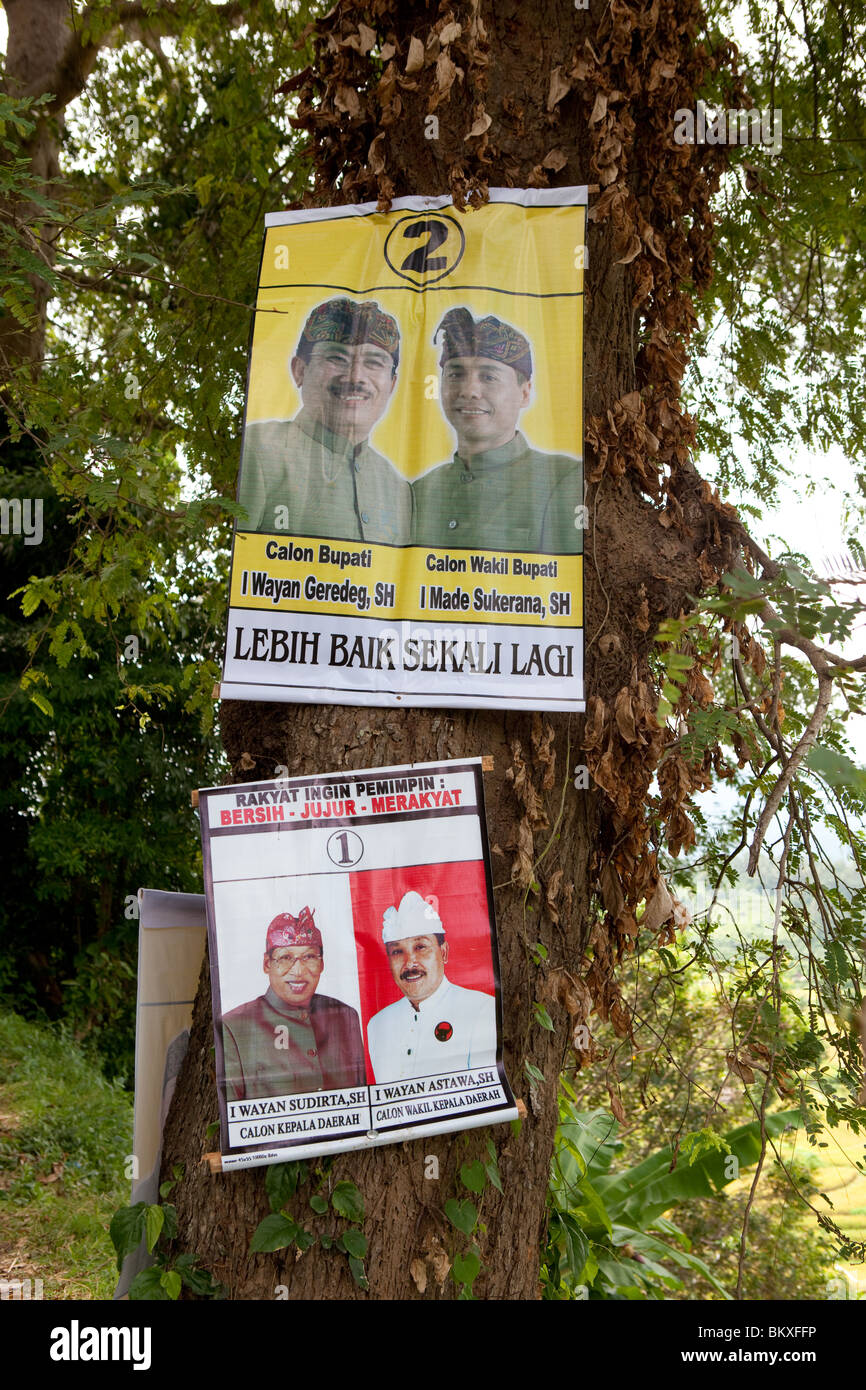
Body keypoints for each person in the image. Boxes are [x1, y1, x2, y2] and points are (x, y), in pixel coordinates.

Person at [237, 297, 410, 545]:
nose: (356, 377)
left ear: (391, 384)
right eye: (337, 359)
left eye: (373, 363)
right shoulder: (259, 449)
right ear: (300, 370)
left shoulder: (399, 490)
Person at [412, 306, 582, 554]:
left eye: (488, 377)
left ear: (524, 393)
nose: (469, 390)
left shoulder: (563, 479)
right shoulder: (420, 492)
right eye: (456, 374)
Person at [222, 908, 366, 1101]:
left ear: (322, 964)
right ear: (267, 964)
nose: (298, 971)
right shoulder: (234, 1027)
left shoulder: (345, 1016)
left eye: (309, 957)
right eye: (286, 958)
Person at [366, 891, 497, 1083]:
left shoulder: (481, 1010)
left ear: (443, 952)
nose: (410, 963)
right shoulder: (378, 1025)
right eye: (397, 951)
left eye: (420, 947)